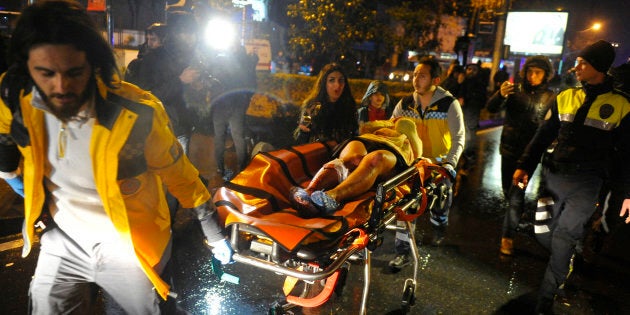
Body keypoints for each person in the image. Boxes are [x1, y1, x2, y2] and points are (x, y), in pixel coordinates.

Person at [0, 1, 233, 313]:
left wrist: (215, 236)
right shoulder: (17, 98)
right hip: (64, 240)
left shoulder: (136, 115)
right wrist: (11, 173)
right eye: (44, 72)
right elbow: (5, 136)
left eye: (73, 71)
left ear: (93, 63)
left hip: (130, 243)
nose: (60, 87)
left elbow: (182, 177)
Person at [511, 40, 630, 314]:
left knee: (564, 237)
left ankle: (546, 298)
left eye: (583, 63)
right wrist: (524, 165)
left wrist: (625, 194)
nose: (576, 67)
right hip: (554, 177)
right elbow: (543, 136)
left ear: (598, 68)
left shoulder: (622, 105)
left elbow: (627, 156)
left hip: (588, 183)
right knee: (542, 232)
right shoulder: (565, 97)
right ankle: (567, 257)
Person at [389, 56, 465, 270]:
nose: (416, 79)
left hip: (439, 166)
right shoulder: (405, 104)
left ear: (436, 80)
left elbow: (459, 137)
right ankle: (402, 252)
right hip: (413, 168)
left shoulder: (449, 104)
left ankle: (439, 228)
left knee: (440, 207)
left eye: (422, 75)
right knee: (406, 208)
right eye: (414, 75)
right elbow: (391, 129)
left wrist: (450, 163)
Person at [486, 56, 556, 256]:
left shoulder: (551, 97)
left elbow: (554, 125)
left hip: (530, 155)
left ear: (546, 76)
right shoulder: (514, 90)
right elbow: (491, 109)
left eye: (538, 72)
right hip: (508, 150)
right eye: (530, 71)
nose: (533, 76)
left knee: (516, 194)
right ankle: (516, 216)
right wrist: (500, 94)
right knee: (508, 191)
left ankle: (507, 237)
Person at [289, 118, 422, 217]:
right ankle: (309, 192)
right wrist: (389, 122)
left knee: (376, 159)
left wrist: (400, 122)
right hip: (368, 140)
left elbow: (417, 149)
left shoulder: (407, 131)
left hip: (394, 151)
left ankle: (331, 197)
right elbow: (366, 127)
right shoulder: (383, 125)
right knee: (353, 158)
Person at [208, 44, 259, 181]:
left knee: (221, 137)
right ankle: (239, 169)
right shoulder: (244, 62)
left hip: (222, 104)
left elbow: (213, 80)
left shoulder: (221, 60)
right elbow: (251, 82)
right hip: (235, 104)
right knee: (237, 137)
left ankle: (221, 169)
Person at [294, 63, 358, 144]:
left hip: (344, 152)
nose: (337, 85)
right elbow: (300, 138)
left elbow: (354, 133)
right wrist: (304, 128)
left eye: (341, 80)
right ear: (324, 83)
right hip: (319, 152)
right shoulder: (315, 106)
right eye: (332, 80)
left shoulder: (348, 105)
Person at [459, 63, 488, 174]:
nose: (470, 71)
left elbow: (482, 101)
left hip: (472, 114)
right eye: (469, 69)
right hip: (461, 113)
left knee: (469, 139)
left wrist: (468, 99)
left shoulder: (480, 84)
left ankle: (468, 163)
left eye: (473, 69)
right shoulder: (463, 81)